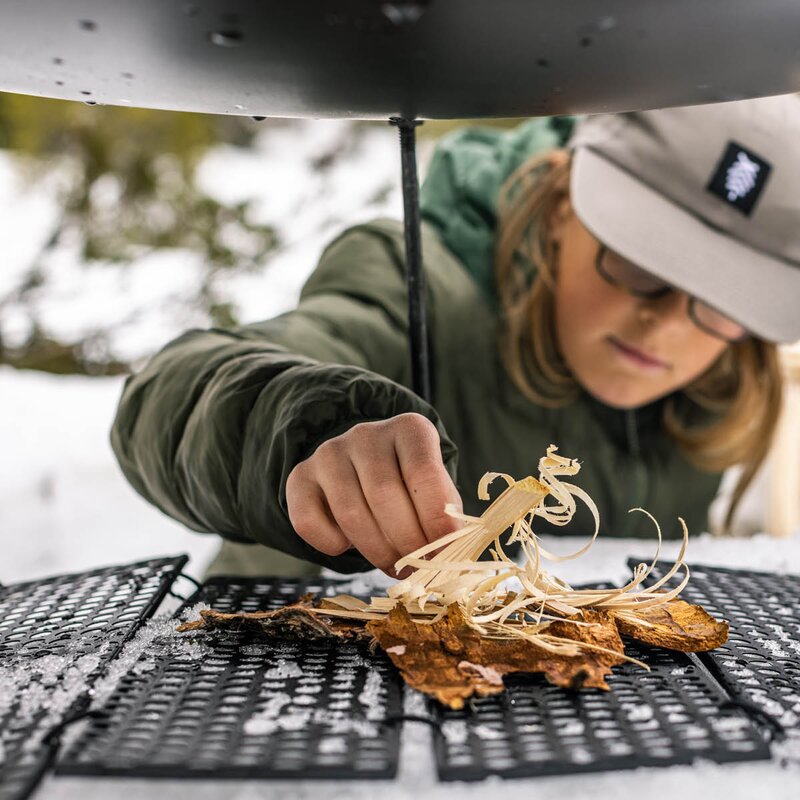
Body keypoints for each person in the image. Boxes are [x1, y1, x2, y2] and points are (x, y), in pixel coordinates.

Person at [111, 95, 798, 579]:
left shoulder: (716, 386)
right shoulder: (413, 284)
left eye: (724, 299)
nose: (669, 323)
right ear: (562, 204)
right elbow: (170, 393)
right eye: (641, 261)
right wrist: (305, 427)